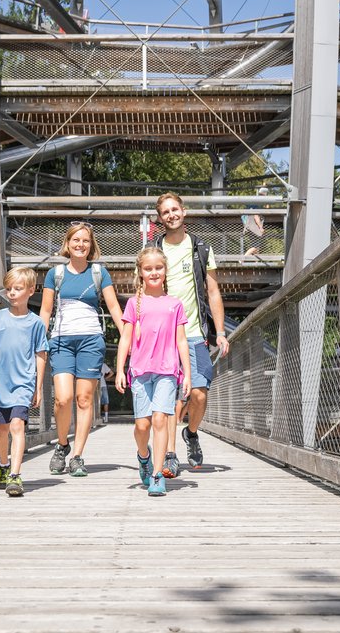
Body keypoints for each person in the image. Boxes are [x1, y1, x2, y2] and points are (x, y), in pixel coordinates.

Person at [154, 192, 230, 476]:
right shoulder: (154, 249)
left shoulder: (201, 248)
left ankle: (192, 432)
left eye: (175, 209)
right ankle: (170, 455)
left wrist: (220, 332)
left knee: (198, 394)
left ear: (183, 212)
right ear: (160, 218)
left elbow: (213, 291)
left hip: (195, 334)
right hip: (164, 337)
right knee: (170, 399)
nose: (171, 215)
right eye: (165, 212)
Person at [40, 222, 124, 477]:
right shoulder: (55, 274)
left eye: (85, 240)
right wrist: (39, 339)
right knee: (63, 398)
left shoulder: (99, 272)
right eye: (76, 240)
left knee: (84, 399)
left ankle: (76, 456)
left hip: (90, 340)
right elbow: (46, 310)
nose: (80, 244)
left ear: (91, 245)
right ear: (68, 243)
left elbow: (113, 307)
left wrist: (127, 336)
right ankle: (62, 444)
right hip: (61, 341)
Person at [115, 246, 190, 496]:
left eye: (158, 267)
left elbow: (181, 341)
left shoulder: (175, 305)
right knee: (142, 426)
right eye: (148, 268)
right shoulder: (133, 304)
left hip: (167, 370)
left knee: (160, 419)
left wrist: (187, 374)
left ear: (166, 270)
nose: (154, 272)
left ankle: (157, 475)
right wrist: (119, 369)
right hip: (140, 371)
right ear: (141, 272)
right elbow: (125, 339)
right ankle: (143, 456)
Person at [0, 267, 48, 497]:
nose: (12, 293)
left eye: (17, 288)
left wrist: (38, 387)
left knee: (17, 425)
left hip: (23, 383)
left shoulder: (36, 323)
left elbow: (41, 354)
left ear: (31, 291)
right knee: (2, 429)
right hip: (0, 384)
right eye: (9, 289)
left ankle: (15, 476)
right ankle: (4, 466)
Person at [242, 185, 269, 258]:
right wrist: (260, 227)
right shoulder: (257, 204)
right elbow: (256, 216)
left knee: (256, 247)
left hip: (248, 224)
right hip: (252, 226)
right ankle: (242, 259)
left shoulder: (254, 202)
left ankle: (255, 261)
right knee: (255, 246)